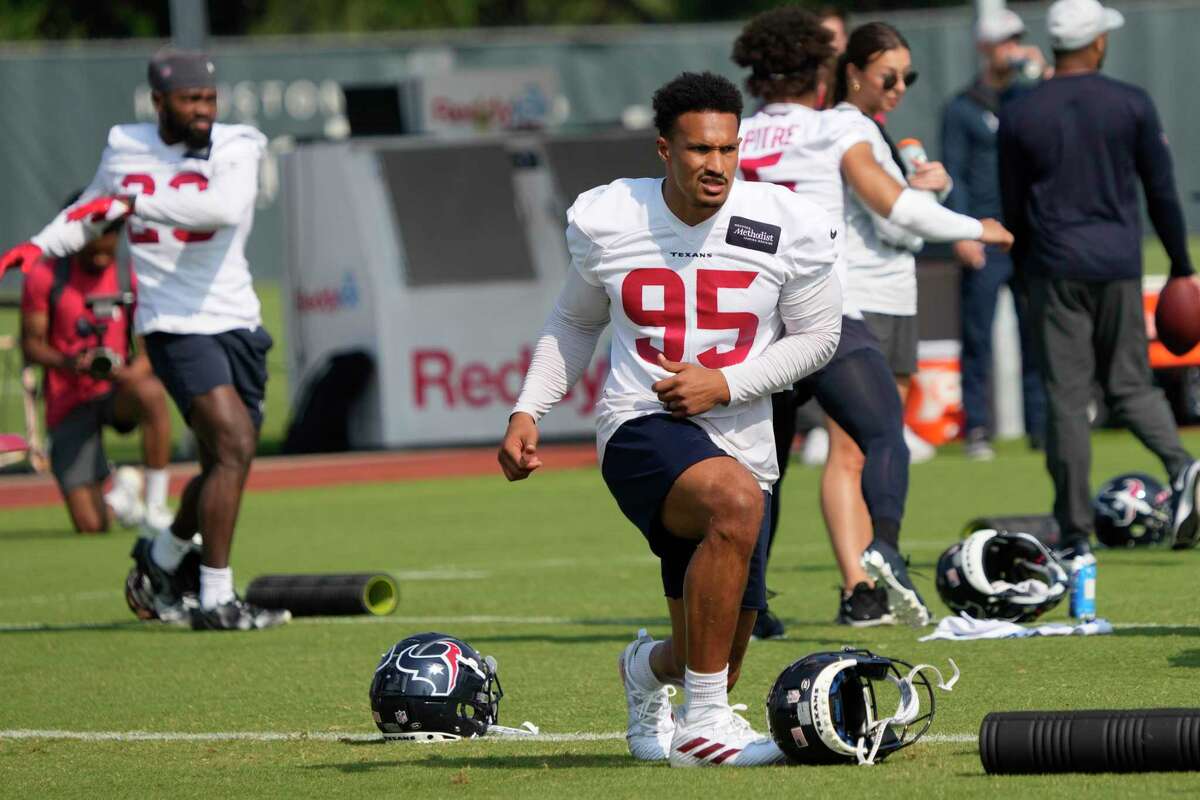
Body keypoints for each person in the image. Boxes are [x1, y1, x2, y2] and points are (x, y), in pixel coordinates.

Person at [498, 71, 842, 766]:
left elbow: (818, 336)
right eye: (697, 150)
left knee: (709, 654)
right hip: (640, 424)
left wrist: (726, 382)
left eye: (726, 149)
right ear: (664, 150)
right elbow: (573, 320)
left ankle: (646, 670)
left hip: (741, 434)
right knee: (731, 501)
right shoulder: (611, 216)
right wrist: (528, 408)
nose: (714, 164)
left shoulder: (785, 220)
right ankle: (704, 727)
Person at [734, 11, 1014, 633]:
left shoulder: (737, 133)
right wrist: (976, 226)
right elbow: (890, 203)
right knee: (885, 430)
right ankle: (882, 545)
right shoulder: (836, 127)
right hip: (819, 311)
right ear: (823, 73)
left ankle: (751, 603)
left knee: (763, 466)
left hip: (751, 321)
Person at [0, 48, 288, 631]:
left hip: (235, 318)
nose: (203, 110)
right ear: (158, 101)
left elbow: (223, 207)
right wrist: (40, 246)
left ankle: (159, 559)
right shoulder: (124, 145)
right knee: (232, 444)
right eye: (189, 99)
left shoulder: (239, 143)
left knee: (222, 464)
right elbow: (90, 210)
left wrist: (132, 201)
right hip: (174, 325)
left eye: (208, 98)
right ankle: (215, 597)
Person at [998, 0, 1200, 559]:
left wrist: (1021, 273)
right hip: (1116, 265)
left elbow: (1012, 204)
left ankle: (1076, 529)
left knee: (1066, 399)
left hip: (1053, 266)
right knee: (1131, 384)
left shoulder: (1020, 111)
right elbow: (1160, 191)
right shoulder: (1130, 103)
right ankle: (1187, 469)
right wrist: (1182, 265)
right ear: (1098, 43)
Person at [19, 202, 173, 534]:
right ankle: (122, 495)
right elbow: (30, 345)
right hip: (68, 397)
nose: (102, 259)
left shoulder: (127, 275)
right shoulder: (45, 276)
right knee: (91, 525)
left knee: (151, 393)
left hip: (116, 393)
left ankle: (157, 507)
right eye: (93, 252)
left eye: (109, 249)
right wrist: (69, 362)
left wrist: (132, 371)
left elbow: (150, 348)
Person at [942, 9, 1048, 460]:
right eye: (1004, 40)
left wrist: (1045, 79)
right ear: (985, 47)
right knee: (978, 335)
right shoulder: (963, 107)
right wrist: (962, 232)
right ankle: (978, 429)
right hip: (985, 235)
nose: (1013, 47)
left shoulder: (1032, 97)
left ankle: (1042, 428)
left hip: (1028, 236)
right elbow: (953, 174)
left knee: (1037, 334)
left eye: (1017, 39)